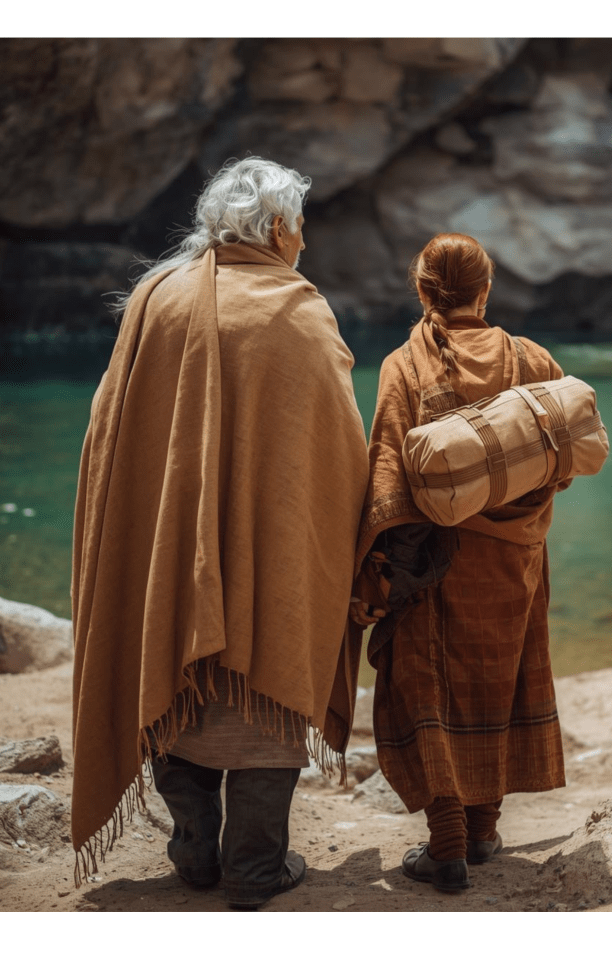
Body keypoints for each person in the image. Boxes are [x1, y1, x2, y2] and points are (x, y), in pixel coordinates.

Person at [71, 156, 370, 910]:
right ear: (276, 228)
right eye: (299, 226)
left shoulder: (153, 297)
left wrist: (158, 531)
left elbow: (110, 439)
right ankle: (254, 866)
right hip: (268, 557)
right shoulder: (299, 310)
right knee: (270, 661)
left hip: (166, 551)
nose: (302, 240)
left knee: (171, 656)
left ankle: (194, 848)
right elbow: (339, 452)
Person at [349, 232, 570, 893]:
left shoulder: (403, 366)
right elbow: (562, 464)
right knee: (499, 682)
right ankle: (482, 830)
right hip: (514, 559)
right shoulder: (534, 360)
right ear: (487, 289)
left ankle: (448, 841)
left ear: (420, 290)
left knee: (431, 687)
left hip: (434, 562)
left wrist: (372, 564)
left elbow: (386, 471)